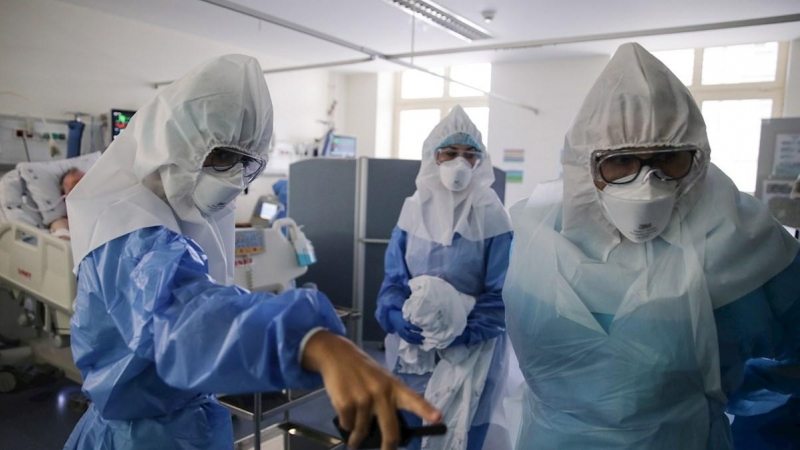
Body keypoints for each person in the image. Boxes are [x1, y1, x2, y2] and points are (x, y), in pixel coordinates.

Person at [62, 54, 439, 450]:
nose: (232, 180)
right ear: (172, 142)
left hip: (182, 422)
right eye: (222, 156)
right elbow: (179, 315)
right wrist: (308, 339)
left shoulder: (175, 216)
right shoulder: (129, 228)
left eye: (245, 163)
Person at [503, 42, 800, 450]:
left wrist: (718, 395)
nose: (648, 184)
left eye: (668, 160)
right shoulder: (535, 241)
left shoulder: (744, 246)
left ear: (698, 160)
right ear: (585, 164)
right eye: (621, 162)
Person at [375, 106, 514, 450]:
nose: (459, 164)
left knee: (460, 433)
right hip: (414, 353)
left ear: (480, 161)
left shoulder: (492, 215)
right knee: (408, 432)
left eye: (470, 155)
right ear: (432, 157)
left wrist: (464, 332)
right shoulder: (413, 208)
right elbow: (394, 278)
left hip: (472, 355)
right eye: (450, 153)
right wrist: (392, 314)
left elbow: (503, 293)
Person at [49, 168, 84, 239]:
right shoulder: (64, 223)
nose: (83, 188)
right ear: (65, 197)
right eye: (75, 186)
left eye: (87, 182)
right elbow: (62, 237)